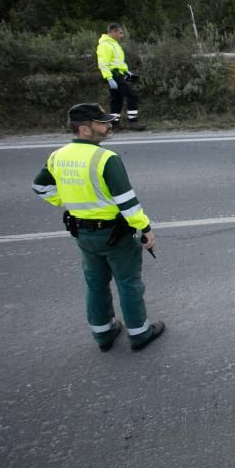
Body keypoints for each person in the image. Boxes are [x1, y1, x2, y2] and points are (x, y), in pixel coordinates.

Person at [31, 103, 165, 351]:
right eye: (101, 122)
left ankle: (103, 334)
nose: (108, 125)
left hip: (82, 233)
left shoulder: (57, 156)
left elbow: (41, 187)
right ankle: (139, 333)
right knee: (128, 283)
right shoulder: (106, 158)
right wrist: (145, 229)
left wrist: (68, 201)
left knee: (95, 283)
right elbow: (127, 203)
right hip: (115, 234)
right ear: (84, 129)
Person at [96, 23, 145, 131]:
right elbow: (103, 64)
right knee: (132, 96)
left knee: (116, 99)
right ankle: (133, 122)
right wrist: (109, 78)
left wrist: (127, 72)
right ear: (113, 32)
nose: (122, 35)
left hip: (118, 74)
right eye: (120, 33)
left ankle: (115, 124)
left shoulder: (114, 44)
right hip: (114, 75)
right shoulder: (105, 45)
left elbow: (118, 62)